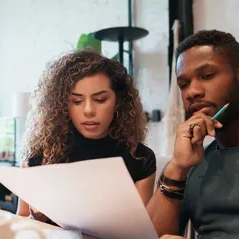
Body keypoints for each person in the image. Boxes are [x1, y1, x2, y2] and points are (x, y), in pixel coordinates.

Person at [146, 29, 239, 239]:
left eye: (207, 76)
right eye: (184, 84)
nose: (192, 92)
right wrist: (177, 167)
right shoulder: (195, 161)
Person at [17, 49, 157, 224]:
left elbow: (141, 230)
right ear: (61, 105)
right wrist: (37, 217)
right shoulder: (39, 155)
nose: (89, 110)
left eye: (100, 100)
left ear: (118, 101)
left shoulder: (140, 158)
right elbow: (22, 218)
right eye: (76, 101)